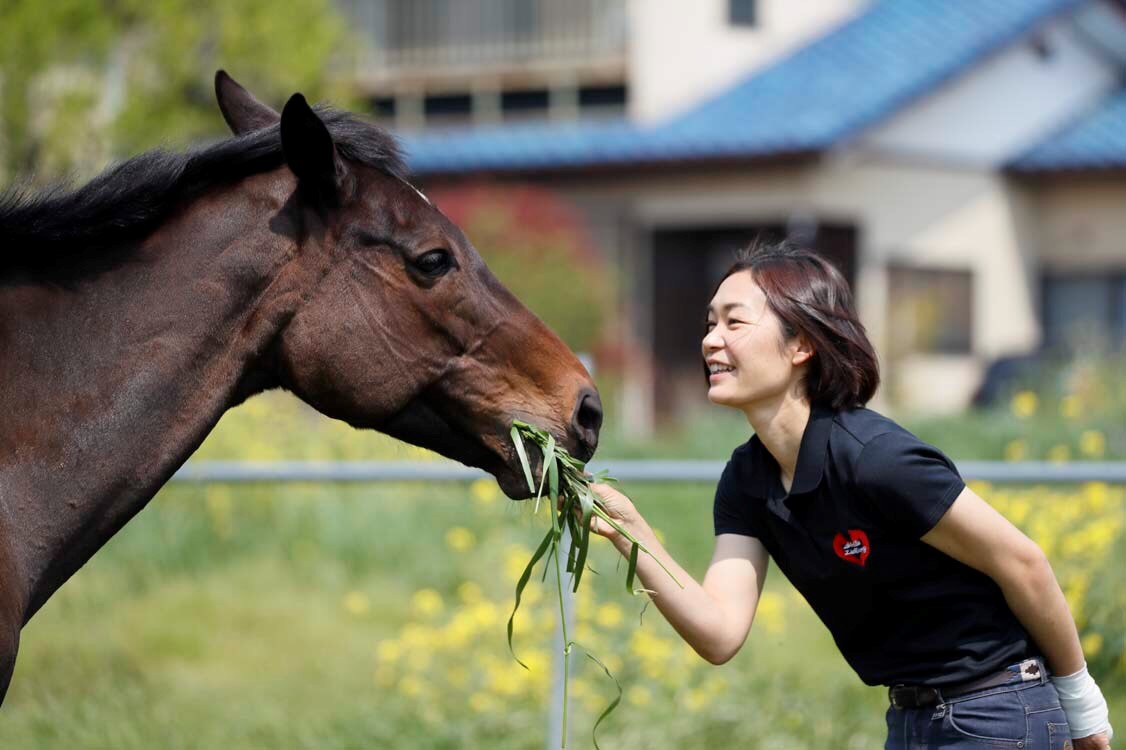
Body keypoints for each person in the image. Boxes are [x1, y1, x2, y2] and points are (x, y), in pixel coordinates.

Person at [588, 242, 1114, 749]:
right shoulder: (748, 478)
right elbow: (720, 632)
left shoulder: (876, 459)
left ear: (801, 345)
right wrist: (631, 532)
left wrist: (1081, 703)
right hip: (909, 719)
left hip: (999, 712)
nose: (710, 339)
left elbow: (1023, 563)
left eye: (734, 321)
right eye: (710, 323)